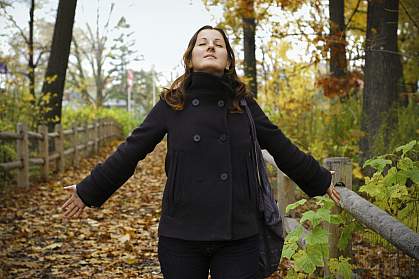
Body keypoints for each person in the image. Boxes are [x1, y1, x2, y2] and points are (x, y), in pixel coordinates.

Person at [62, 25, 341, 279]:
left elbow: (280, 145)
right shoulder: (172, 104)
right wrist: (90, 189)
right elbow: (132, 150)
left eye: (218, 44)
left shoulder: (243, 105)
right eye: (203, 43)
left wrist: (319, 178)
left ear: (228, 60)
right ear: (190, 58)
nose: (210, 47)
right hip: (181, 233)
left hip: (238, 235)